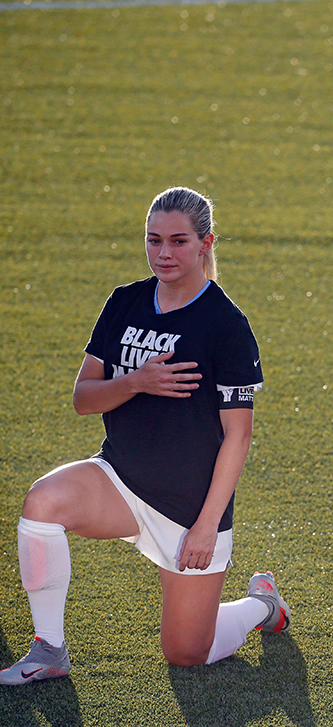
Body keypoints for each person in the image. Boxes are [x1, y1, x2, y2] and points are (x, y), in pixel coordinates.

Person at [0, 186, 288, 686]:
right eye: (153, 241)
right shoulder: (125, 302)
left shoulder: (227, 324)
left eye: (178, 241)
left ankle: (261, 605)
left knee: (186, 653)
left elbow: (237, 437)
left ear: (205, 243)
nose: (164, 254)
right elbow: (83, 398)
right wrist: (135, 382)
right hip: (120, 480)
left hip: (190, 505)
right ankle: (49, 649)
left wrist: (206, 524)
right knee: (42, 504)